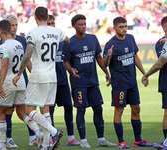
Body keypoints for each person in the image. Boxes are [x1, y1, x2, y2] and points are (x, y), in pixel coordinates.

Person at [13, 6, 70, 150]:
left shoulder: (33, 33)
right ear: (48, 17)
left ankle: (53, 131)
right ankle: (45, 145)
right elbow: (67, 40)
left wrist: (19, 73)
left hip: (38, 75)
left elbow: (27, 56)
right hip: (52, 76)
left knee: (29, 109)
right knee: (45, 110)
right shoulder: (57, 31)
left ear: (35, 17)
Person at [62, 14, 117, 148]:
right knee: (81, 111)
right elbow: (66, 62)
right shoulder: (69, 42)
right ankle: (83, 140)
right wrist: (71, 70)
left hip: (93, 81)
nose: (83, 26)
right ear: (74, 26)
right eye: (80, 24)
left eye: (84, 24)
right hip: (79, 82)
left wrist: (106, 72)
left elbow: (98, 57)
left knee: (98, 109)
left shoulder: (93, 38)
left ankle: (101, 139)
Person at [0, 19, 42, 150]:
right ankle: (38, 132)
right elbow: (26, 60)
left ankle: (2, 145)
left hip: (8, 82)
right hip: (21, 82)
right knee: (21, 112)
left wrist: (1, 85)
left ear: (0, 31)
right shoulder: (19, 43)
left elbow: (4, 65)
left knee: (0, 112)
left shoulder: (3, 46)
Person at [103, 16, 153, 149]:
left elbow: (135, 56)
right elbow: (104, 64)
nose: (124, 29)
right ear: (114, 28)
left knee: (136, 109)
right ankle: (121, 142)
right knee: (119, 111)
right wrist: (108, 55)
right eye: (121, 27)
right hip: (119, 84)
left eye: (125, 26)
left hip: (132, 83)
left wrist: (144, 74)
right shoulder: (110, 44)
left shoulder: (130, 38)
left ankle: (138, 140)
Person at [47, 15, 81, 147]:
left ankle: (71, 138)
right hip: (49, 82)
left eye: (53, 23)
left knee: (68, 107)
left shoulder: (62, 42)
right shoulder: (43, 43)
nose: (51, 25)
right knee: (49, 111)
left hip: (63, 81)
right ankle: (51, 137)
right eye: (48, 23)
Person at [142, 16, 167, 150]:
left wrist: (146, 75)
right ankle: (166, 142)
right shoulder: (160, 44)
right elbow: (161, 62)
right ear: (164, 28)